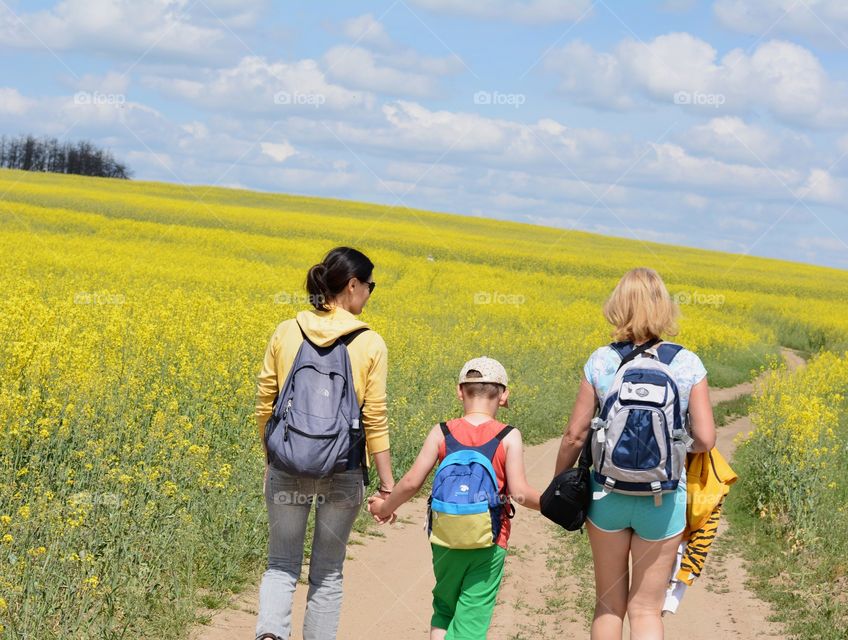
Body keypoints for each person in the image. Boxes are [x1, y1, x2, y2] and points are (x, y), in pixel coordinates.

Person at [553, 267, 717, 640]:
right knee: (645, 611)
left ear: (618, 305)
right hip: (663, 499)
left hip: (607, 495)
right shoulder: (687, 363)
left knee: (609, 605)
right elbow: (706, 439)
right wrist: (674, 447)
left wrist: (559, 481)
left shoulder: (601, 361)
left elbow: (575, 436)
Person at [253, 246, 395, 640]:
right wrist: (387, 485)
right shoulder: (370, 343)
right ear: (352, 285)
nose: (369, 293)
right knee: (328, 571)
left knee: (281, 563)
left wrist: (271, 456)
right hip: (343, 468)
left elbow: (266, 399)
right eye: (370, 285)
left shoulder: (287, 330)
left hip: (287, 463)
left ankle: (270, 635)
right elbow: (375, 419)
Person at [368, 357, 541, 639]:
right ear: (504, 394)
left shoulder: (442, 432)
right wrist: (553, 504)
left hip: (445, 537)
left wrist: (385, 507)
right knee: (472, 617)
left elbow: (412, 482)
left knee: (445, 608)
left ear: (460, 391)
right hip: (489, 540)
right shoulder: (509, 436)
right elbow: (520, 493)